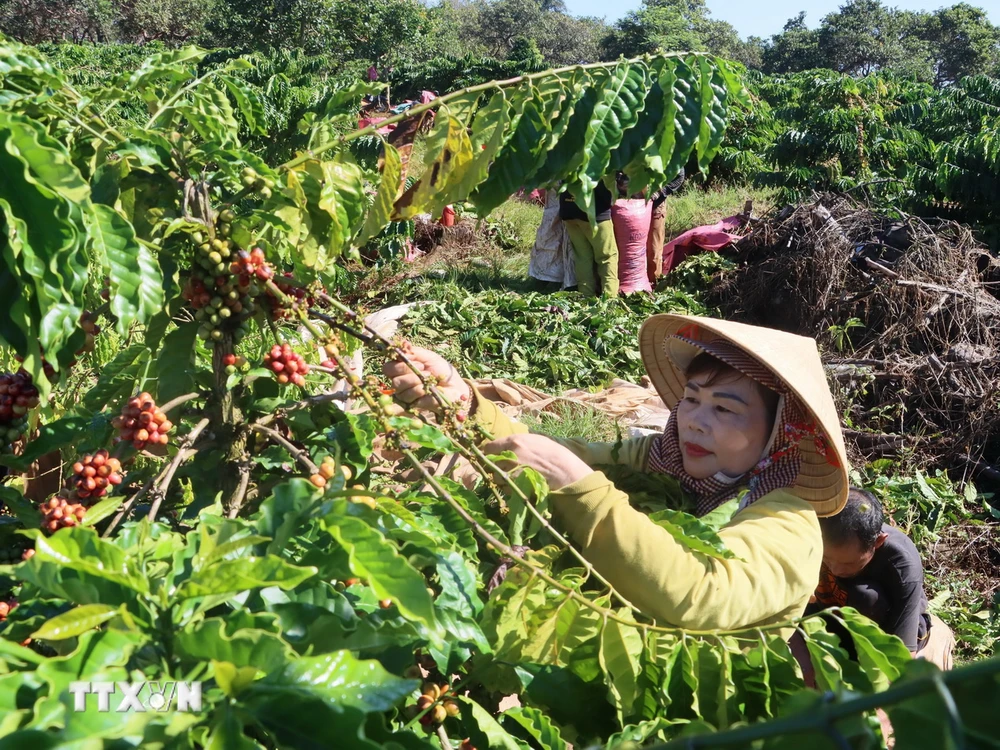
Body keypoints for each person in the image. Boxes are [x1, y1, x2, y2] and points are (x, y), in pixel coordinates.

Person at [384, 314, 849, 631]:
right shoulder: (661, 459)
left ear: (779, 434)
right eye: (691, 400)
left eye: (725, 409)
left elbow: (704, 591)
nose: (694, 421)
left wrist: (579, 489)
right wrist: (467, 403)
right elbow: (572, 454)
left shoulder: (787, 523)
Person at [809, 488, 955, 669]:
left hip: (881, 629)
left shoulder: (902, 566)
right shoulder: (812, 535)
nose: (836, 570)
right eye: (828, 560)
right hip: (830, 616)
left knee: (866, 596)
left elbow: (902, 655)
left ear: (878, 542)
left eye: (848, 564)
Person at [559, 182, 618, 297]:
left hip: (568, 210)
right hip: (595, 213)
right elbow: (604, 188)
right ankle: (610, 298)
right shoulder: (596, 163)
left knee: (582, 256)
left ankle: (586, 296)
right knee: (607, 256)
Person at [647, 168, 685, 286]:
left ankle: (653, 283)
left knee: (654, 248)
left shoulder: (665, 151)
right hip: (631, 207)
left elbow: (679, 175)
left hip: (655, 206)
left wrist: (660, 192)